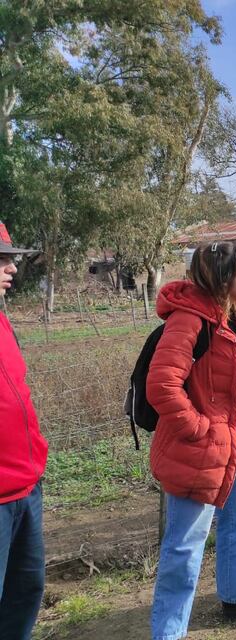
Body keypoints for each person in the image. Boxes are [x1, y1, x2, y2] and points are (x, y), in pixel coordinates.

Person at [148, 242, 236, 639]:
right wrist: (198, 428)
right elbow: (161, 386)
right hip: (204, 439)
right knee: (186, 543)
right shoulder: (188, 320)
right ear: (223, 277)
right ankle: (168, 633)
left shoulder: (235, 314)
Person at [0, 223, 47, 640]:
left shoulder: (3, 323)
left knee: (25, 592)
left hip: (25, 489)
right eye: (0, 259)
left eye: (10, 256)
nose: (11, 265)